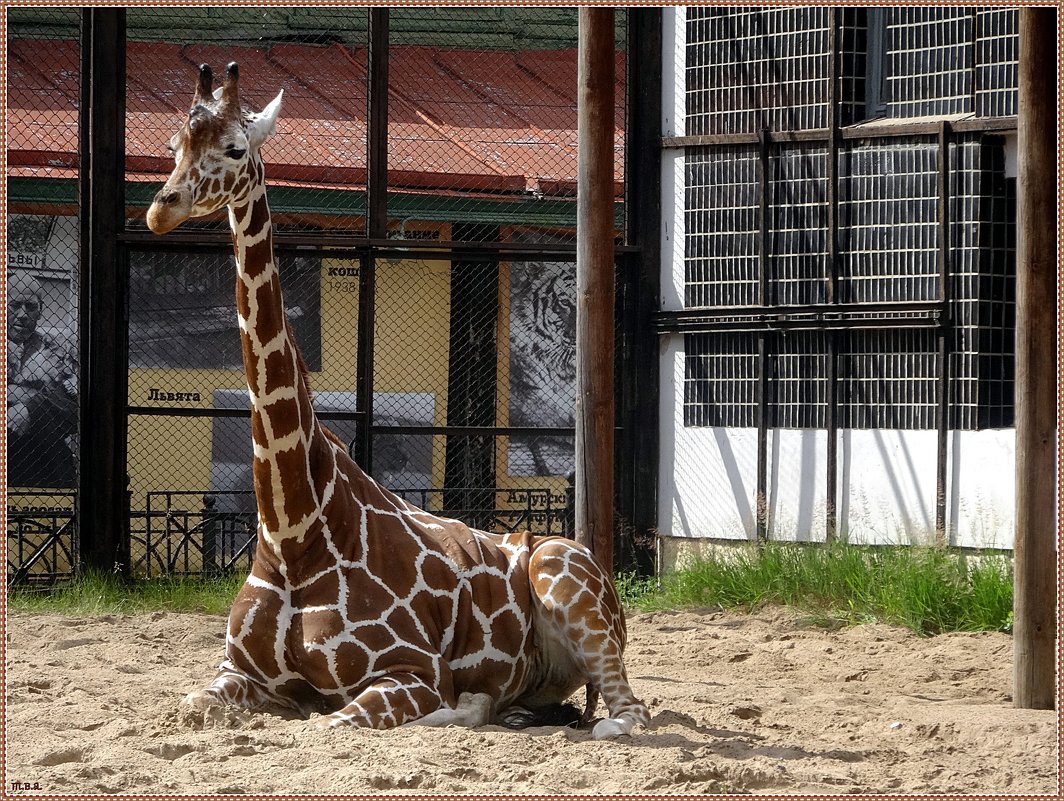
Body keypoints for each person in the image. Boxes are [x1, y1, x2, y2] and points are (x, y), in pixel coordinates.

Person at [7, 271, 78, 488]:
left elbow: (75, 405)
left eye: (30, 307)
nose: (22, 314)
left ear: (40, 311)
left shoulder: (58, 350)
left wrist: (30, 408)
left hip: (46, 462)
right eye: (15, 305)